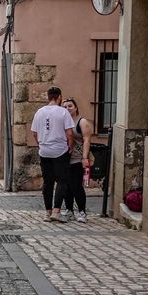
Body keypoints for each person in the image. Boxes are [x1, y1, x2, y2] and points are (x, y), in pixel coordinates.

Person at [29, 86, 74, 222]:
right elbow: (70, 133)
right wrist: (70, 146)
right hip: (59, 149)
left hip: (44, 150)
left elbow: (34, 133)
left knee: (47, 182)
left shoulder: (39, 112)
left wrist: (41, 144)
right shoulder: (63, 112)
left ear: (48, 97)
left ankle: (48, 212)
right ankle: (56, 211)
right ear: (59, 97)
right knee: (61, 180)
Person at [62, 98, 93, 223]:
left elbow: (87, 139)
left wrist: (84, 158)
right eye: (65, 107)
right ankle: (69, 210)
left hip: (77, 158)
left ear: (75, 108)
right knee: (66, 187)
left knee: (76, 186)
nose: (67, 109)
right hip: (64, 158)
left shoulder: (81, 121)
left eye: (70, 106)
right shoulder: (62, 121)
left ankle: (82, 211)